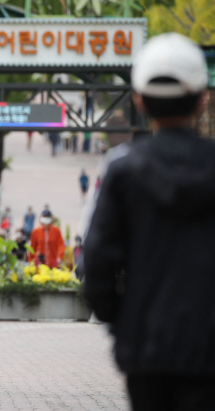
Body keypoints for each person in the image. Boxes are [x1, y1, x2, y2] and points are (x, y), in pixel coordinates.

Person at [83, 33, 215, 410]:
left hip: (146, 347)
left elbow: (97, 261)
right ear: (202, 98)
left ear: (139, 100)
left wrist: (120, 321)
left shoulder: (124, 171)